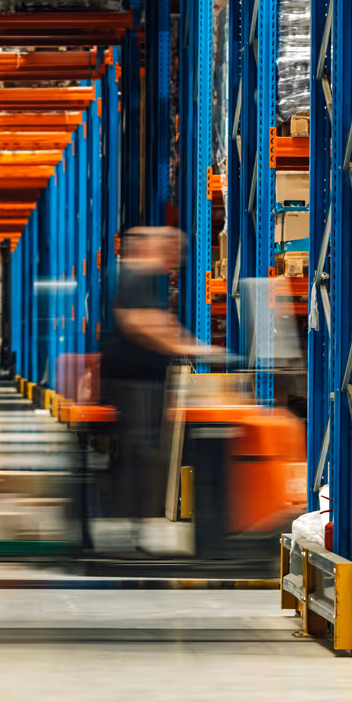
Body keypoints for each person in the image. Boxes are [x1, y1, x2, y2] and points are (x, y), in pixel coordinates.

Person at [100, 227, 220, 534]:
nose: (177, 260)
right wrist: (191, 347)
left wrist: (189, 344)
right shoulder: (135, 274)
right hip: (131, 380)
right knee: (138, 450)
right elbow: (142, 323)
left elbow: (161, 322)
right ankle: (128, 524)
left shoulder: (149, 278)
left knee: (144, 450)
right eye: (173, 252)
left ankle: (136, 523)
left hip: (144, 379)